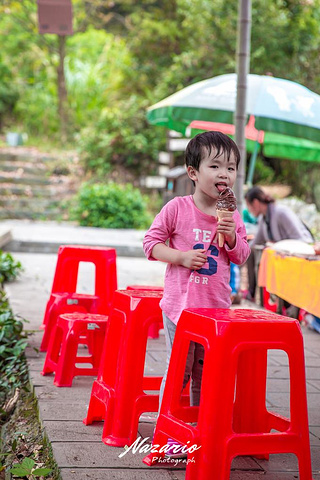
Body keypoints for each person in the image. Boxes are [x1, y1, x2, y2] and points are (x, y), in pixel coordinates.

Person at [143, 131, 250, 457]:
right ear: (193, 172)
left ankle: (199, 429)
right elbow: (151, 244)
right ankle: (166, 430)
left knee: (208, 374)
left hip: (215, 309)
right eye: (215, 166)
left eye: (231, 168)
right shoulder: (177, 209)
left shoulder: (232, 214)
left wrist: (232, 238)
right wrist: (181, 257)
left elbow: (242, 256)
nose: (224, 174)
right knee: (180, 371)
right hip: (181, 308)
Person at [244, 186, 314, 303]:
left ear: (255, 203)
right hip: (282, 256)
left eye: (249, 206)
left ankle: (287, 304)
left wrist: (276, 244)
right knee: (250, 253)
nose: (249, 210)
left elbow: (302, 240)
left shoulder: (281, 212)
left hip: (298, 254)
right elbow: (254, 244)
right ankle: (250, 294)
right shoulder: (264, 219)